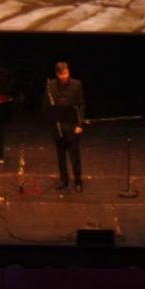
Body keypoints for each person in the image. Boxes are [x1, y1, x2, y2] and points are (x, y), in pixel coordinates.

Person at [44, 61, 86, 192]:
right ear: (57, 74)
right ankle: (64, 180)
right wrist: (52, 122)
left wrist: (80, 124)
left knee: (74, 157)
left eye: (66, 73)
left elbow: (81, 105)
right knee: (61, 157)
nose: (64, 76)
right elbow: (47, 106)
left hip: (72, 127)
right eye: (62, 74)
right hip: (58, 127)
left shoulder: (77, 85)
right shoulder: (50, 85)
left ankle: (78, 181)